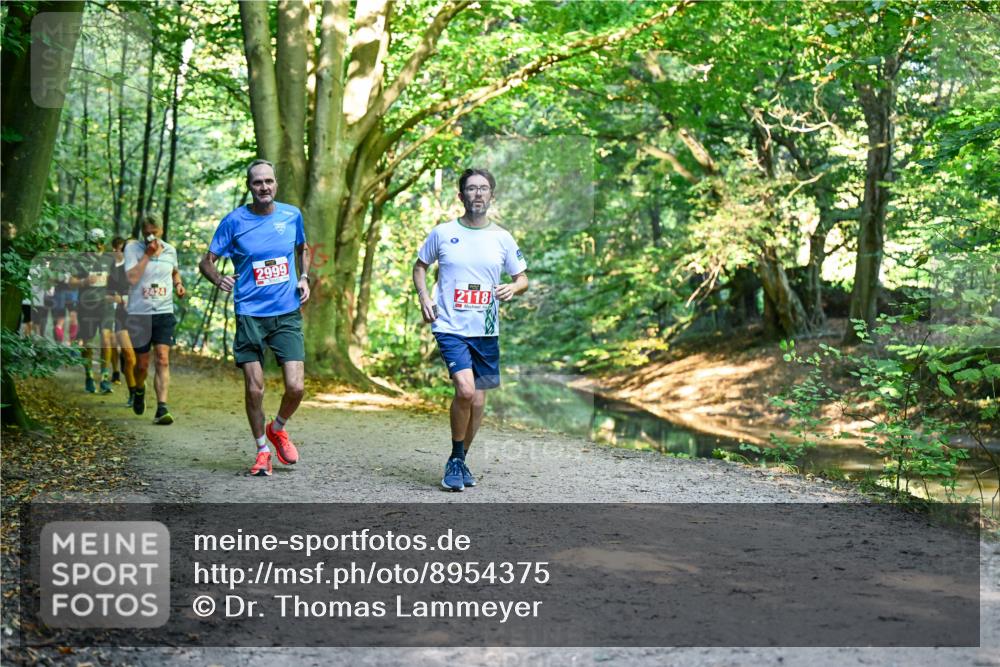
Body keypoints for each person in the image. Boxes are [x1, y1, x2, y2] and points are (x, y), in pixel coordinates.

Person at [412, 168, 528, 491]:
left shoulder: (502, 238)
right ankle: (455, 458)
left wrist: (513, 288)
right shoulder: (443, 233)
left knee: (477, 402)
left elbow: (522, 277)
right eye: (472, 188)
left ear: (492, 195)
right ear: (461, 196)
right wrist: (424, 298)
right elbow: (420, 267)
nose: (478, 193)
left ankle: (459, 460)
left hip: (486, 330)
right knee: (465, 391)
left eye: (483, 188)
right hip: (450, 326)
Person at [199, 159, 310, 477]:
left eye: (268, 181)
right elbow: (207, 261)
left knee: (296, 387)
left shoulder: (291, 215)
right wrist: (217, 278)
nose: (264, 187)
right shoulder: (234, 221)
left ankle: (278, 428)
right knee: (254, 389)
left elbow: (303, 248)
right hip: (249, 314)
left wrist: (304, 277)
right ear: (249, 186)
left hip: (286, 312)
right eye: (258, 182)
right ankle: (262, 450)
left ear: (276, 184)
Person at [125, 215, 185, 423]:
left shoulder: (170, 250)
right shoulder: (132, 249)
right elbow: (131, 278)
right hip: (139, 314)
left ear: (161, 231)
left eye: (154, 232)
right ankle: (139, 388)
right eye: (147, 233)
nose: (150, 236)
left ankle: (162, 408)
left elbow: (174, 272)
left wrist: (178, 284)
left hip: (164, 312)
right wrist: (147, 255)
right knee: (141, 365)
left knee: (162, 358)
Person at [71, 228, 117, 394]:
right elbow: (71, 281)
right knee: (88, 341)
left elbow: (116, 280)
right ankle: (89, 376)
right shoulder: (81, 259)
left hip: (105, 305)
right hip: (86, 305)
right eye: (94, 242)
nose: (98, 245)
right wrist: (84, 281)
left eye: (101, 241)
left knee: (106, 338)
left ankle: (104, 378)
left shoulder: (109, 259)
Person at [108, 236, 138, 403]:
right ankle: (132, 393)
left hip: (141, 318)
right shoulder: (116, 271)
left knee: (138, 361)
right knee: (128, 355)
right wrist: (118, 299)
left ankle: (138, 388)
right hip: (121, 316)